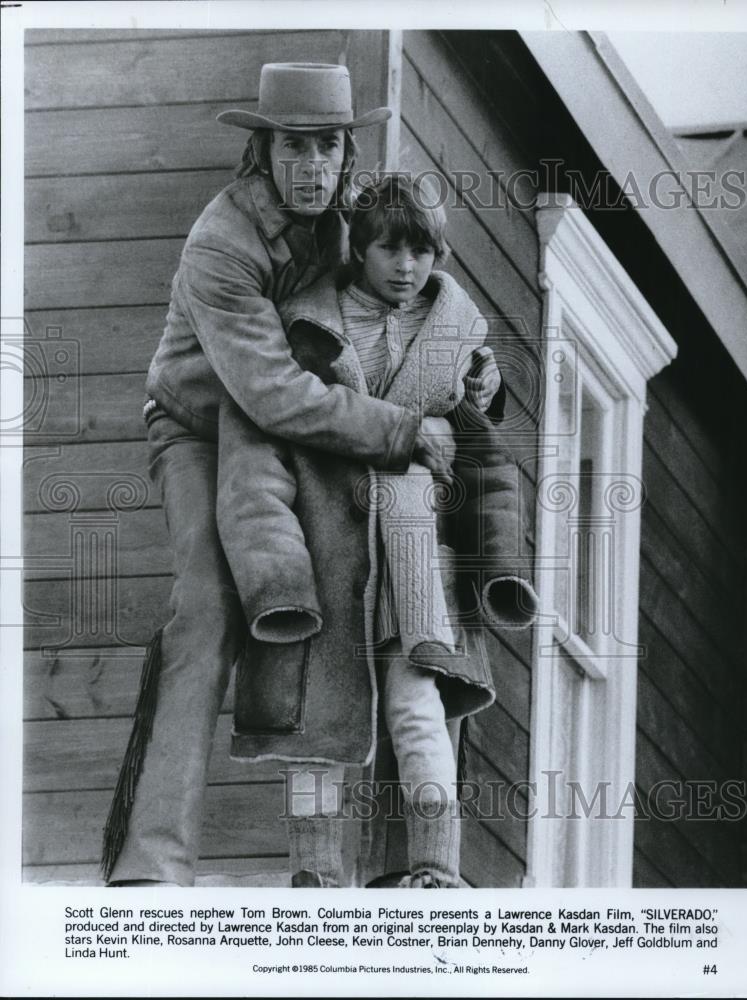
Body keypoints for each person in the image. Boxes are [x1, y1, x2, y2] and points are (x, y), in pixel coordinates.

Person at [102, 64, 461, 887]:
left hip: (312, 432)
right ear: (262, 150)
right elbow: (268, 393)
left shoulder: (351, 217)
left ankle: (398, 866)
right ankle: (153, 865)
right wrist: (402, 428)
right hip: (203, 425)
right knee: (205, 610)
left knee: (385, 607)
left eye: (327, 146)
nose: (312, 165)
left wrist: (475, 378)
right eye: (294, 146)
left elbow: (423, 292)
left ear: (346, 152)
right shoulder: (220, 243)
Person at [217, 174, 538, 888]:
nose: (406, 266)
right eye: (389, 248)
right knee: (316, 727)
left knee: (418, 701)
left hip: (414, 559)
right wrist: (275, 577)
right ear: (358, 248)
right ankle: (315, 874)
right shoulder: (299, 333)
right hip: (323, 549)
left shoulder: (458, 348)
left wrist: (499, 564)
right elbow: (256, 464)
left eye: (422, 250)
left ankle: (434, 868)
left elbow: (487, 463)